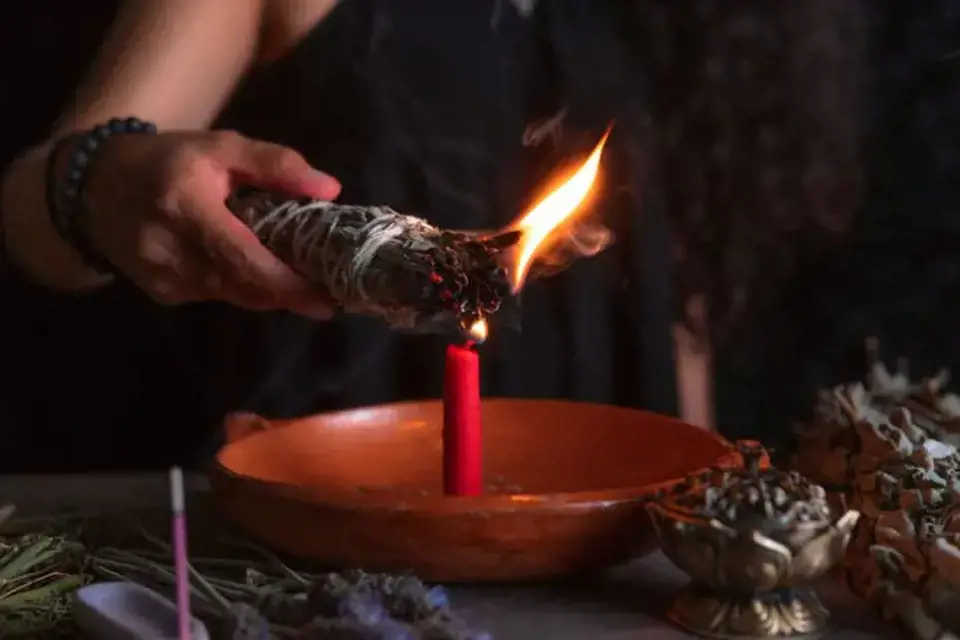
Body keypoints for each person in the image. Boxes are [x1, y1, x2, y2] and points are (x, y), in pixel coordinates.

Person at [0, 0, 888, 471]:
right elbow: (29, 218)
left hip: (603, 561)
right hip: (328, 552)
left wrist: (703, 503)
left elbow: (674, 306)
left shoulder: (695, 23)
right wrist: (101, 188)